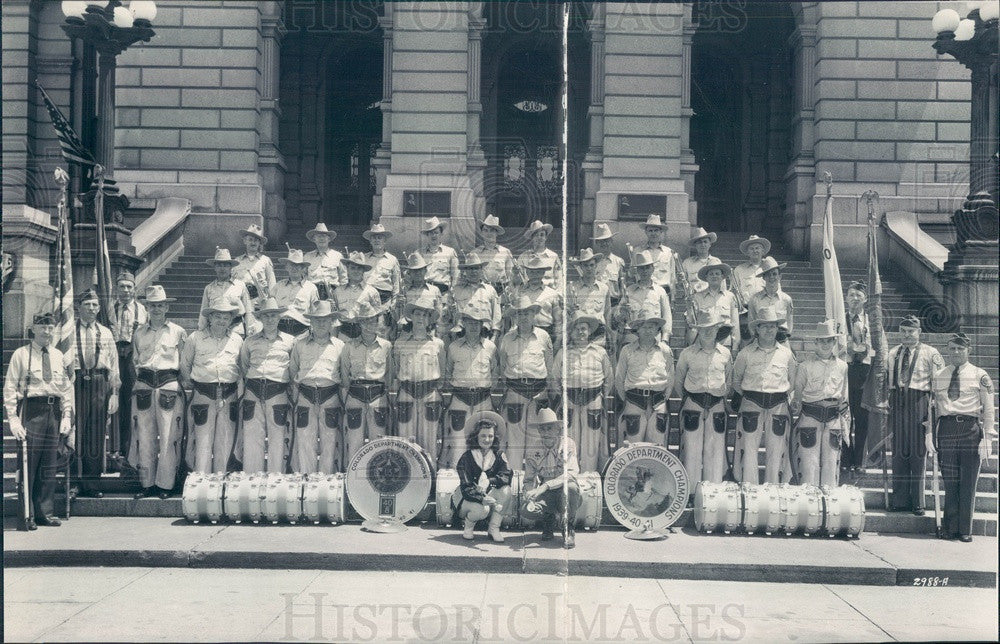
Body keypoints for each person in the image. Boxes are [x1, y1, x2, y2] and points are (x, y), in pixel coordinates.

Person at [4, 311, 75, 530]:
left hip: (53, 412)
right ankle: (27, 514)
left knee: (49, 464)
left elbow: (66, 388)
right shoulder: (21, 354)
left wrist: (66, 415)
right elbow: (9, 388)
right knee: (29, 464)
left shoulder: (57, 355)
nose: (47, 331)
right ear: (33, 330)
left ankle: (46, 512)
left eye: (50, 327)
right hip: (32, 411)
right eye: (42, 327)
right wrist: (13, 420)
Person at [931, 333, 995, 542]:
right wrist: (929, 434)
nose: (956, 352)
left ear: (969, 350)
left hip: (970, 430)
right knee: (950, 481)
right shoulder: (939, 375)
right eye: (952, 349)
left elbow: (988, 409)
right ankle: (949, 527)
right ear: (947, 350)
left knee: (968, 481)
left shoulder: (980, 375)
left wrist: (987, 438)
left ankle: (965, 529)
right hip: (947, 429)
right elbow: (932, 409)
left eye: (960, 348)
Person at [130, 285, 187, 499]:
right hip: (144, 384)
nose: (156, 309)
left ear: (166, 307)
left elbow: (184, 362)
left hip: (168, 384)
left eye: (160, 305)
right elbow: (136, 360)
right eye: (153, 305)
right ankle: (147, 483)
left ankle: (166, 484)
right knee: (144, 437)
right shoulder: (138, 333)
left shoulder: (178, 332)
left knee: (169, 437)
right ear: (147, 307)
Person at [731, 307, 797, 484]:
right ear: (757, 329)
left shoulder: (786, 354)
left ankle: (773, 488)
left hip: (778, 404)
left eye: (773, 326)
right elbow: (736, 380)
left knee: (776, 449)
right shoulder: (745, 354)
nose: (769, 330)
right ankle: (749, 487)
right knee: (749, 449)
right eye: (765, 326)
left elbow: (792, 381)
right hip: (751, 402)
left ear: (777, 329)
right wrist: (750, 395)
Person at [887, 315, 944, 514]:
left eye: (911, 331)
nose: (907, 335)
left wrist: (933, 411)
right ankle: (900, 499)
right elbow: (888, 380)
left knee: (919, 452)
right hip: (898, 400)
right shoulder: (893, 353)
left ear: (919, 332)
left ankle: (918, 502)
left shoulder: (930, 353)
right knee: (899, 451)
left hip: (919, 400)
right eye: (903, 331)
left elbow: (939, 384)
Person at [180, 300, 244, 473]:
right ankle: (201, 484)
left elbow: (242, 368)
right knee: (202, 442)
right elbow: (185, 366)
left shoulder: (238, 340)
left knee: (225, 442)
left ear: (231, 320)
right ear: (209, 317)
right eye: (217, 316)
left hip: (228, 394)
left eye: (226, 317)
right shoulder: (195, 338)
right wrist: (195, 387)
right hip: (203, 394)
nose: (222, 321)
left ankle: (220, 483)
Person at [236, 297, 296, 474]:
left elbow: (293, 368)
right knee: (252, 437)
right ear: (261, 318)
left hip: (278, 392)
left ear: (279, 318)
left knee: (278, 438)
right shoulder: (250, 341)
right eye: (266, 316)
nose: (270, 319)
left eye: (273, 316)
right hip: (253, 391)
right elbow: (244, 365)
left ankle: (275, 479)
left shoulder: (290, 341)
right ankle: (252, 480)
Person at [673, 309, 732, 484]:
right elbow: (679, 381)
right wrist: (690, 398)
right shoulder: (687, 354)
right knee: (692, 449)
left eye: (712, 328)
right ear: (698, 330)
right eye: (704, 329)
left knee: (714, 449)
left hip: (716, 404)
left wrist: (718, 395)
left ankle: (712, 489)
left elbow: (728, 380)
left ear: (717, 330)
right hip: (693, 403)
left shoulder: (725, 354)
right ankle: (691, 490)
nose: (708, 332)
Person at [288, 300, 347, 474]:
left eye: (326, 319)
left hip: (330, 397)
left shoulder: (340, 346)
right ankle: (307, 481)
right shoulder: (299, 345)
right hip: (306, 395)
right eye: (317, 320)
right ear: (311, 322)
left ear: (331, 322)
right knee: (305, 440)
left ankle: (326, 481)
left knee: (330, 442)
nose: (321, 323)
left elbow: (344, 377)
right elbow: (293, 372)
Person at [72, 288, 120, 498]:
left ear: (100, 308)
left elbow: (114, 366)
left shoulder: (106, 333)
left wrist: (114, 392)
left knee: (95, 434)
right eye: (87, 305)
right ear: (78, 307)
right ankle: (73, 482)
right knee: (75, 432)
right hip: (75, 381)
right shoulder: (68, 331)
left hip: (100, 382)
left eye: (95, 305)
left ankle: (92, 483)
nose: (91, 309)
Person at [790, 320, 849, 488]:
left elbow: (844, 395)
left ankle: (829, 502)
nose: (825, 344)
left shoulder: (842, 366)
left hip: (833, 418)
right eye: (821, 340)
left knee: (831, 462)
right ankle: (809, 503)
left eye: (829, 340)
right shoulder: (804, 366)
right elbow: (798, 394)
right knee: (809, 463)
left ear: (834, 342)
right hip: (810, 416)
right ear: (815, 342)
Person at [441, 303, 499, 469]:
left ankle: (482, 479)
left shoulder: (490, 347)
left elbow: (495, 372)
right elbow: (448, 372)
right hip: (460, 399)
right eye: (470, 322)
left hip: (483, 399)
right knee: (458, 443)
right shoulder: (453, 347)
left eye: (477, 323)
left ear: (482, 325)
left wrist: (487, 390)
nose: (474, 326)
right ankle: (455, 481)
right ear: (463, 324)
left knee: (483, 441)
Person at [498, 295, 553, 469]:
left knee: (536, 438)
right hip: (515, 392)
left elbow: (549, 367)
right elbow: (502, 367)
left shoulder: (544, 337)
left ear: (534, 315)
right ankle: (514, 479)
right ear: (515, 316)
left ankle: (533, 478)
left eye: (527, 313)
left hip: (538, 392)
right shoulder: (506, 339)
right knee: (514, 439)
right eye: (520, 314)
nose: (524, 317)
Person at [553, 315, 613, 471]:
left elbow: (609, 378)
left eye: (584, 329)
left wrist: (601, 395)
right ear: (571, 332)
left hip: (593, 398)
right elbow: (555, 378)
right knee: (570, 439)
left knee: (591, 442)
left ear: (589, 332)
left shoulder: (600, 352)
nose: (580, 332)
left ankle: (589, 476)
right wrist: (564, 395)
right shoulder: (563, 353)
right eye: (577, 329)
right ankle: (571, 475)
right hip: (570, 398)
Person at [392, 294, 446, 464]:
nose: (420, 318)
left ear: (429, 319)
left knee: (429, 441)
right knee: (405, 440)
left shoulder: (438, 344)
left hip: (429, 394)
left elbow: (443, 373)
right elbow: (395, 370)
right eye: (417, 314)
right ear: (411, 317)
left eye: (424, 315)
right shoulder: (400, 343)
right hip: (407, 393)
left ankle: (431, 481)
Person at [340, 300, 394, 464]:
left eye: (373, 320)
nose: (370, 324)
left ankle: (376, 478)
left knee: (378, 441)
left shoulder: (386, 346)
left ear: (378, 323)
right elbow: (344, 374)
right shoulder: (349, 346)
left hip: (378, 395)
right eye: (365, 320)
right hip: (355, 395)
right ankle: (352, 479)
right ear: (360, 323)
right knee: (354, 442)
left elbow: (390, 375)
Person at [522, 409, 581, 549]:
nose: (546, 432)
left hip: (564, 491)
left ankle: (568, 528)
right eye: (542, 429)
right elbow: (528, 479)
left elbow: (571, 473)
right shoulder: (532, 449)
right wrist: (529, 493)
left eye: (549, 428)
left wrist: (545, 486)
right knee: (526, 510)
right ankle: (548, 520)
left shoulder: (568, 444)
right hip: (546, 494)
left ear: (558, 429)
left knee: (571, 488)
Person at [614, 312, 675, 445]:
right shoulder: (627, 350)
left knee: (657, 446)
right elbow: (619, 379)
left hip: (658, 403)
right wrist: (627, 399)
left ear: (657, 330)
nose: (648, 330)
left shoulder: (665, 351)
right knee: (632, 445)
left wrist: (664, 398)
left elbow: (671, 378)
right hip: (634, 402)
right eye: (644, 327)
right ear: (637, 330)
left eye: (652, 327)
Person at [452, 410, 513, 542]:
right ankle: (468, 527)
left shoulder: (499, 455)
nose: (487, 440)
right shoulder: (466, 458)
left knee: (506, 491)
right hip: (467, 499)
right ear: (476, 437)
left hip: (488, 496)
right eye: (483, 436)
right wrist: (481, 498)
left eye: (490, 436)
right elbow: (466, 487)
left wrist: (490, 481)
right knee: (482, 509)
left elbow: (507, 475)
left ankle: (494, 528)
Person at [111, 270, 147, 470]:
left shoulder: (142, 310)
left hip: (133, 358)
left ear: (135, 290)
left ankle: (132, 448)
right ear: (116, 289)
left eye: (129, 287)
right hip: (115, 355)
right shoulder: (109, 309)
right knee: (115, 404)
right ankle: (115, 449)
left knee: (132, 403)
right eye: (122, 286)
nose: (125, 290)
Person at [615, 250, 672, 344]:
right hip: (632, 339)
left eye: (647, 267)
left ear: (652, 269)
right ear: (637, 270)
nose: (644, 271)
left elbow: (667, 316)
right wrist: (623, 312)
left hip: (653, 338)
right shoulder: (629, 291)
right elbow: (618, 317)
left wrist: (665, 339)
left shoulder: (660, 292)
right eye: (641, 268)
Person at [199, 247, 256, 335]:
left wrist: (250, 331)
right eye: (219, 265)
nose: (222, 268)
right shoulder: (209, 288)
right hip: (215, 331)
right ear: (215, 267)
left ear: (231, 268)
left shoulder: (240, 285)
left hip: (236, 331)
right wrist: (201, 330)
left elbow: (248, 310)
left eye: (225, 265)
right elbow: (203, 312)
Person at [508, 255, 562, 347]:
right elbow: (513, 315)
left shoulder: (552, 294)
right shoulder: (519, 291)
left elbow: (558, 321)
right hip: (522, 333)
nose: (535, 275)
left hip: (546, 332)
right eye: (532, 272)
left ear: (543, 273)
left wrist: (557, 341)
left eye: (538, 272)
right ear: (527, 272)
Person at [448, 252, 501, 339]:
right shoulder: (456, 290)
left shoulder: (490, 290)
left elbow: (497, 316)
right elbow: (449, 316)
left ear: (481, 269)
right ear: (465, 271)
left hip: (484, 335)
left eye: (476, 268)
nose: (473, 271)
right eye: (470, 268)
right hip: (461, 336)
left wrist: (494, 338)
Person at [566, 248, 611, 347]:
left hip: (599, 335)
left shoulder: (604, 288)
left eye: (591, 265)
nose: (589, 268)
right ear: (581, 267)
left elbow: (607, 314)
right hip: (580, 333)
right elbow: (567, 314)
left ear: (596, 266)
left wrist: (609, 336)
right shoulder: (571, 288)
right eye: (586, 265)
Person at [334, 252, 382, 340]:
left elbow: (377, 317)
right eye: (352, 268)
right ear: (347, 270)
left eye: (359, 268)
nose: (356, 271)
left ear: (363, 271)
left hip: (364, 333)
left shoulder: (371, 291)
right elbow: (334, 318)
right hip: (344, 334)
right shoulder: (338, 291)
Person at [690, 263, 740, 348]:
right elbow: (693, 322)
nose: (714, 276)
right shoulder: (697, 297)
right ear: (706, 277)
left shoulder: (730, 297)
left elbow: (735, 323)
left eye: (717, 274)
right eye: (711, 274)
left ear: (722, 277)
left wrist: (735, 346)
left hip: (725, 342)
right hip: (704, 342)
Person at [395, 251, 444, 337]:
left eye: (420, 270)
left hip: (429, 331)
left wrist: (437, 332)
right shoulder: (404, 290)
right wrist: (398, 305)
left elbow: (439, 314)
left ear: (425, 270)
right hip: (408, 331)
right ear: (409, 273)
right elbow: (397, 315)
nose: (418, 273)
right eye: (414, 271)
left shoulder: (434, 290)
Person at [731, 235, 769, 344]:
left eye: (757, 248)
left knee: (765, 340)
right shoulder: (739, 270)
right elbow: (734, 291)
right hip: (745, 311)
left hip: (765, 309)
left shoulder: (769, 268)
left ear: (763, 250)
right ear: (747, 252)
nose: (755, 251)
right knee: (746, 341)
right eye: (751, 248)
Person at [273, 247, 319, 336]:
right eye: (291, 265)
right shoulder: (278, 286)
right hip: (280, 330)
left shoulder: (311, 287)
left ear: (303, 269)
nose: (294, 268)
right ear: (286, 267)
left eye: (298, 266)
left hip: (301, 331)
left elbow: (315, 313)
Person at [747, 256, 794, 341]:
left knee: (789, 354)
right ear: (764, 278)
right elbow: (751, 322)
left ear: (780, 277)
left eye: (774, 274)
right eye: (768, 274)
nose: (771, 277)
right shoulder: (754, 299)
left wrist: (785, 338)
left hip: (781, 339)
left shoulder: (786, 299)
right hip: (761, 339)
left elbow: (790, 322)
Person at [234, 224, 276, 306]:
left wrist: (271, 303)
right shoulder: (237, 261)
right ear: (245, 241)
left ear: (260, 243)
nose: (253, 242)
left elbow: (272, 284)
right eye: (250, 239)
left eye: (256, 240)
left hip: (260, 304)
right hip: (242, 304)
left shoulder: (265, 260)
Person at [474, 214, 514, 297]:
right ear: (482, 233)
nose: (489, 233)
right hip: (481, 292)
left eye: (492, 230)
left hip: (501, 293)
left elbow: (511, 276)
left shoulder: (505, 252)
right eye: (485, 230)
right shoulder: (474, 253)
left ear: (497, 233)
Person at [302, 222, 345, 300]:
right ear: (314, 239)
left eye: (324, 236)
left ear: (329, 239)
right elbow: (303, 277)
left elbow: (343, 278)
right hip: (312, 291)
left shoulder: (337, 256)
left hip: (333, 291)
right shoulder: (307, 257)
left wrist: (342, 294)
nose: (321, 239)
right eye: (318, 236)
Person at [362, 222, 402, 304]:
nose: (377, 240)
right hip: (366, 298)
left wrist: (394, 301)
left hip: (384, 298)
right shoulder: (364, 258)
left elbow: (396, 283)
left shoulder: (392, 260)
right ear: (370, 241)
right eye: (374, 238)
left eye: (379, 238)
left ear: (385, 241)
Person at [515, 219, 561, 289]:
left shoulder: (553, 256)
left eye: (542, 235)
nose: (539, 237)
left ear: (546, 237)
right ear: (532, 238)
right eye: (536, 235)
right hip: (529, 294)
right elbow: (519, 279)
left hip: (548, 295)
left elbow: (559, 281)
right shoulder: (524, 257)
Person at [420, 216, 459, 294]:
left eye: (436, 232)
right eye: (430, 233)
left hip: (443, 292)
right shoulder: (419, 253)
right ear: (427, 235)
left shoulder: (450, 252)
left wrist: (453, 293)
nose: (433, 235)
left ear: (441, 234)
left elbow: (456, 275)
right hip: (425, 292)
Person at [639, 214, 676, 295]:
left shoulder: (669, 252)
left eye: (656, 230)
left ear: (661, 232)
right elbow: (633, 274)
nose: (653, 233)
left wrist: (672, 297)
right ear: (646, 232)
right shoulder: (638, 251)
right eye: (650, 231)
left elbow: (673, 277)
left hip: (664, 290)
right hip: (644, 291)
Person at [591, 222, 626, 306]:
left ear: (611, 242)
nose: (604, 244)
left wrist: (622, 301)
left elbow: (623, 284)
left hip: (614, 302)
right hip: (597, 302)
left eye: (607, 241)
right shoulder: (592, 262)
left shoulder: (619, 261)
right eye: (601, 241)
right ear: (596, 243)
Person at [680, 227, 721, 294]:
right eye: (699, 242)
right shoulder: (687, 263)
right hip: (694, 297)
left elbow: (722, 285)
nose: (703, 245)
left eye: (705, 242)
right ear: (695, 245)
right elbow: (682, 283)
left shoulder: (716, 262)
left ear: (709, 244)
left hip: (713, 298)